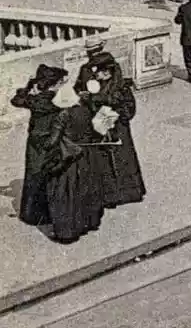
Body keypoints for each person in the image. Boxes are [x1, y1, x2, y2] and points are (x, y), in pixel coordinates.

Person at [75, 51, 145, 209]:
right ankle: (110, 195)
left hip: (118, 130)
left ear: (107, 72)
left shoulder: (122, 87)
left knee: (122, 161)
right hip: (101, 129)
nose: (96, 75)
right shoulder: (96, 84)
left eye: (98, 71)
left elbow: (129, 110)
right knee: (104, 163)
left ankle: (128, 193)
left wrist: (109, 111)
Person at [46, 82, 109, 243]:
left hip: (70, 157)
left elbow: (53, 141)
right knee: (87, 188)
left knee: (66, 193)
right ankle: (89, 223)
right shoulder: (84, 110)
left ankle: (67, 232)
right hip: (87, 155)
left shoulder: (62, 115)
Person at [11, 64, 67, 228]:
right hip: (50, 141)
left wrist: (29, 85)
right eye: (60, 83)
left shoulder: (34, 100)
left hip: (34, 141)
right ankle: (47, 213)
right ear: (53, 84)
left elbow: (16, 100)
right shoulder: (55, 101)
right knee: (49, 174)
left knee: (33, 172)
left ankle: (30, 214)